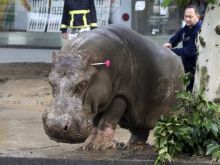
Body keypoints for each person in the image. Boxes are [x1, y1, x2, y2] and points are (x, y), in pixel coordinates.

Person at [163, 5, 202, 92]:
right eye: (186, 16)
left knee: (193, 90)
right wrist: (171, 43)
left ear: (198, 17)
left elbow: (189, 51)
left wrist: (170, 51)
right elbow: (179, 35)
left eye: (190, 17)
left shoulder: (199, 30)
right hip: (187, 66)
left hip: (196, 67)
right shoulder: (187, 27)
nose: (187, 19)